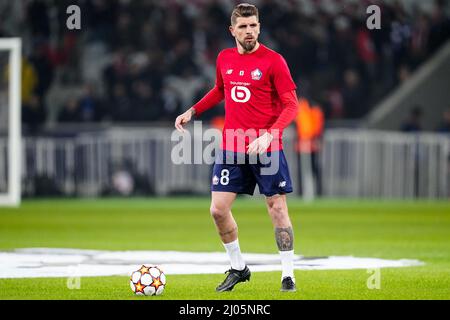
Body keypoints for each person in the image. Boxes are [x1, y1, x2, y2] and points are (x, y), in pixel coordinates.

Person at [174, 3, 299, 292]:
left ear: (259, 26)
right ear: (232, 31)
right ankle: (239, 267)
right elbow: (220, 89)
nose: (249, 31)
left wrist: (270, 135)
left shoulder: (274, 61)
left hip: (266, 147)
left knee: (277, 207)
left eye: (253, 25)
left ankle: (288, 274)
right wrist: (193, 111)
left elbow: (292, 104)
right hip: (232, 147)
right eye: (243, 26)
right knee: (217, 210)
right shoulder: (224, 58)